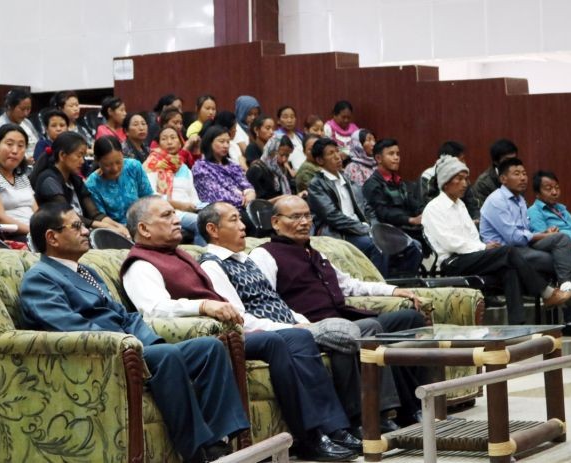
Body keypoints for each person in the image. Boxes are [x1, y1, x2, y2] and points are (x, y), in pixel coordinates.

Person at [121, 197, 360, 461]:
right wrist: (202, 306)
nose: (177, 219)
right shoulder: (139, 264)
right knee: (278, 340)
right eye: (166, 216)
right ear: (144, 229)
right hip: (199, 337)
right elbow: (153, 309)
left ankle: (332, 428)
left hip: (226, 330)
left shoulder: (179, 255)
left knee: (298, 336)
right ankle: (308, 435)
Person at [21, 202, 249, 462]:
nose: (85, 231)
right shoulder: (40, 277)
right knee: (166, 355)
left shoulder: (86, 271)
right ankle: (198, 450)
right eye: (76, 226)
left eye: (83, 225)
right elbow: (68, 326)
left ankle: (223, 439)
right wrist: (129, 343)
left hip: (132, 345)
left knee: (209, 348)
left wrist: (149, 341)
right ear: (52, 237)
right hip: (103, 355)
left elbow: (124, 315)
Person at [197, 201, 402, 443]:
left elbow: (277, 301)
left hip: (296, 324)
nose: (243, 226)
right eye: (234, 220)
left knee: (370, 328)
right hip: (275, 332)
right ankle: (349, 423)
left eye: (241, 219)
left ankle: (379, 414)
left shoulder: (243, 260)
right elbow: (239, 317)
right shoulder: (213, 265)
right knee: (343, 333)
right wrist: (293, 327)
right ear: (213, 229)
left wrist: (300, 321)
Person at [249, 195, 428, 426]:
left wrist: (393, 291)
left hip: (346, 318)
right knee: (371, 330)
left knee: (409, 320)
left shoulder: (315, 253)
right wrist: (300, 324)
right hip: (315, 328)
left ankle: (417, 404)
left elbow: (350, 284)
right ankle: (381, 415)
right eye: (295, 217)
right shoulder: (265, 255)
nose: (304, 222)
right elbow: (266, 300)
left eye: (307, 216)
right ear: (275, 222)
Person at [422, 157, 571, 325]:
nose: (465, 183)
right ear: (445, 183)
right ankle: (547, 293)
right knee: (508, 251)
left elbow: (471, 236)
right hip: (452, 261)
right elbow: (450, 242)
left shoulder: (460, 205)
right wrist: (483, 247)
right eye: (459, 179)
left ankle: (518, 325)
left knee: (508, 269)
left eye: (466, 178)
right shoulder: (434, 208)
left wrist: (482, 248)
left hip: (472, 255)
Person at [308, 138, 421, 277]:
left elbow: (367, 208)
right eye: (331, 153)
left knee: (413, 245)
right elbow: (332, 216)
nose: (338, 156)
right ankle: (381, 290)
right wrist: (363, 228)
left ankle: (403, 284)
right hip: (338, 233)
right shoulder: (317, 185)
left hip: (363, 229)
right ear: (320, 160)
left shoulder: (348, 180)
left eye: (337, 151)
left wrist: (374, 227)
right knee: (379, 247)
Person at [480, 157, 571, 292]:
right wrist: (542, 236)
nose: (523, 178)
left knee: (562, 238)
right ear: (503, 179)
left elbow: (525, 232)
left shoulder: (520, 199)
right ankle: (566, 292)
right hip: (505, 252)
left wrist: (545, 233)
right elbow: (513, 237)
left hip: (524, 246)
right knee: (564, 259)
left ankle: (566, 286)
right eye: (517, 174)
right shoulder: (497, 200)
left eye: (524, 174)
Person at [30, 131, 128, 236]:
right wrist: (106, 226)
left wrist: (117, 226)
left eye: (84, 156)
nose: (82, 161)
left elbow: (94, 214)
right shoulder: (49, 180)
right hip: (64, 233)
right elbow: (67, 216)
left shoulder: (75, 179)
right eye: (79, 155)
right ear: (62, 155)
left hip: (82, 231)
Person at [362, 138, 427, 255]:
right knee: (417, 246)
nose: (396, 158)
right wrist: (410, 220)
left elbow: (413, 202)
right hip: (387, 231)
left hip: (406, 228)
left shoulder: (399, 182)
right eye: (391, 154)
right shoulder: (372, 184)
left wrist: (426, 213)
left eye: (397, 154)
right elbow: (383, 213)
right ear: (378, 158)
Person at [143, 126, 207, 245]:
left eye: (173, 138)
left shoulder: (184, 168)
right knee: (201, 223)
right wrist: (179, 205)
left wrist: (199, 207)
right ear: (158, 144)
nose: (169, 142)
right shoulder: (152, 165)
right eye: (164, 139)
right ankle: (204, 260)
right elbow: (151, 196)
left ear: (180, 143)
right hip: (167, 211)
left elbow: (193, 196)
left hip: (188, 210)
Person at [85, 135, 154, 224]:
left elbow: (148, 198)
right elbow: (102, 220)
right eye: (108, 165)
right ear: (97, 160)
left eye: (118, 162)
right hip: (117, 231)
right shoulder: (92, 185)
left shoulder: (134, 167)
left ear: (122, 154)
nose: (115, 168)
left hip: (145, 221)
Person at [192, 125, 256, 212]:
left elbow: (245, 184)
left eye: (228, 142)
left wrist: (250, 193)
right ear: (209, 143)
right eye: (221, 141)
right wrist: (242, 199)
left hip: (244, 207)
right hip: (221, 212)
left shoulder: (232, 165)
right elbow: (218, 197)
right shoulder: (201, 167)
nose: (226, 145)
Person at [528, 170, 571, 270]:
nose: (554, 192)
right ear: (537, 193)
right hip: (565, 252)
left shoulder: (561, 208)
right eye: (548, 189)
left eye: (557, 188)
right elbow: (544, 242)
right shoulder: (534, 211)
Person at [420, 141, 480, 221]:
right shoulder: (428, 176)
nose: (464, 163)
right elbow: (429, 208)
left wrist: (476, 219)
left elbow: (473, 205)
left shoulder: (462, 175)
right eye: (461, 160)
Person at [0, 88, 40, 160]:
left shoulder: (26, 122)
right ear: (9, 107)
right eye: (22, 109)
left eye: (28, 109)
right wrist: (23, 161)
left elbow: (38, 141)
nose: (26, 114)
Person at [246, 135, 297, 202]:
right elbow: (258, 201)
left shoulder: (283, 169)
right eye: (281, 155)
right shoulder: (256, 170)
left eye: (287, 156)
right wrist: (282, 199)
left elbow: (292, 190)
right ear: (271, 152)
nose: (284, 159)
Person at [471, 138, 518, 209]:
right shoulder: (483, 183)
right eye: (507, 160)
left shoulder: (517, 178)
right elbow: (483, 212)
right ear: (496, 162)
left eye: (514, 160)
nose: (512, 164)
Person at [274, 105, 306, 170]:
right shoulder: (276, 136)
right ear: (278, 120)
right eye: (285, 117)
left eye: (292, 117)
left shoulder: (300, 135)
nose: (289, 120)